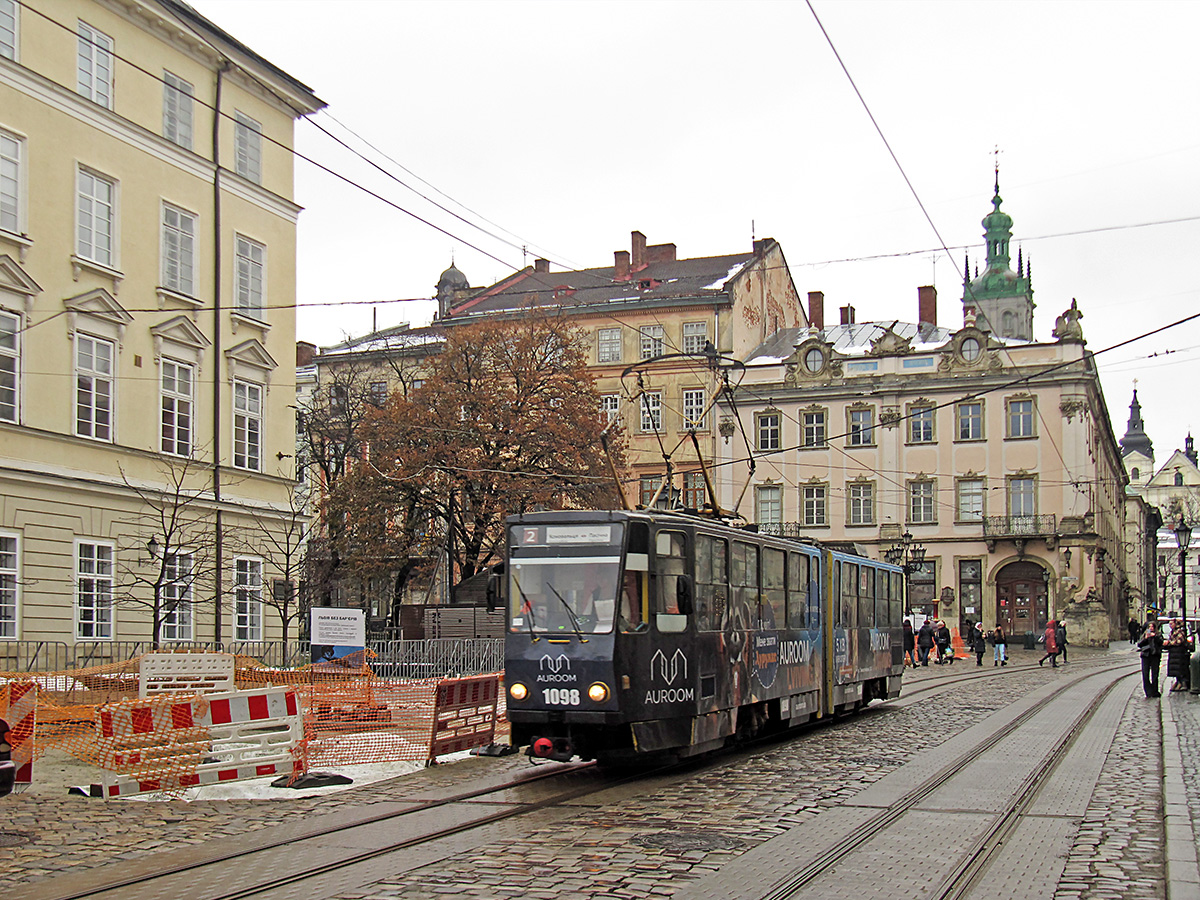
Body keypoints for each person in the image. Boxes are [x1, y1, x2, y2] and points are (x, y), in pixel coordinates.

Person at [1165, 618, 1193, 692]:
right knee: (1176, 669)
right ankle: (1179, 682)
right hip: (1174, 653)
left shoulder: (1180, 632)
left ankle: (1183, 683)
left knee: (1180, 669)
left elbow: (1179, 641)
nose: (1170, 625)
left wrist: (1169, 643)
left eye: (1171, 624)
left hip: (1179, 653)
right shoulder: (1172, 632)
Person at [1138, 620, 1164, 698]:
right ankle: (1148, 691)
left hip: (1155, 655)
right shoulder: (1145, 635)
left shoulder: (1158, 634)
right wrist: (1146, 638)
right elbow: (1139, 644)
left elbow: (1160, 643)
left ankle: (1155, 691)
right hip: (1146, 655)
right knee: (1145, 674)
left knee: (1155, 675)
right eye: (1149, 627)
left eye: (1152, 627)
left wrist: (1155, 637)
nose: (1151, 628)